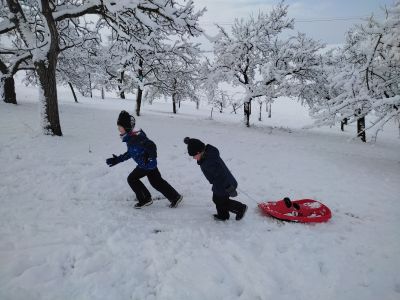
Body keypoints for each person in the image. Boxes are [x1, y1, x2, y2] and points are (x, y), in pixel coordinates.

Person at [106, 111, 183, 209]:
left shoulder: (136, 137)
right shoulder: (131, 137)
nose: (118, 129)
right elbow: (131, 152)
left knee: (132, 179)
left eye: (120, 127)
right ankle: (175, 197)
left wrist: (151, 158)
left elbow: (151, 145)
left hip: (146, 164)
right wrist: (117, 160)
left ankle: (145, 199)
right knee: (157, 182)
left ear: (126, 127)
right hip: (148, 164)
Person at [184, 137, 247, 221]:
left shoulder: (209, 161)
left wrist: (228, 187)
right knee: (218, 199)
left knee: (220, 201)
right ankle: (223, 215)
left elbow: (221, 174)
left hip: (224, 184)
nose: (194, 158)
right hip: (219, 183)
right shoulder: (207, 156)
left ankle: (240, 208)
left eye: (194, 156)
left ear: (199, 152)